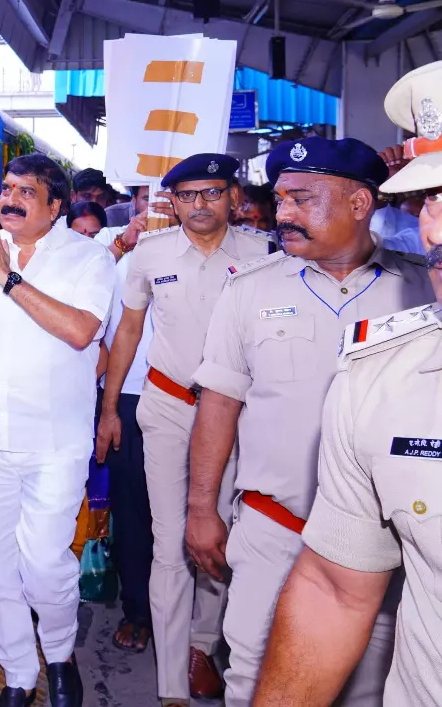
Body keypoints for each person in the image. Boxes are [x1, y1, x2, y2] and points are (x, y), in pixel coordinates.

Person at [185, 136, 434, 707]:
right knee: (253, 679)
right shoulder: (250, 291)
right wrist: (203, 509)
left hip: (388, 545)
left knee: (370, 686)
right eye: (280, 199)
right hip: (276, 528)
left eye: (301, 199)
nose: (283, 214)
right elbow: (219, 405)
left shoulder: (421, 286)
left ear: (359, 203)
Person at [251, 62, 442, 706]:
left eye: (303, 197)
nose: (436, 229)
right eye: (431, 200)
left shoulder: (404, 285)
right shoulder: (378, 379)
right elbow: (335, 591)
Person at [0, 154, 117, 707]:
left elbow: (82, 331)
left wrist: (8, 279)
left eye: (25, 192)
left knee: (43, 562)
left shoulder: (89, 258)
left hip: (56, 441)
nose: (8, 199)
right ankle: (18, 674)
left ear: (56, 205)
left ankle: (58, 657)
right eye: (6, 188)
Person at [97, 154, 273, 705]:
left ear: (233, 198)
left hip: (236, 416)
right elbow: (127, 332)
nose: (201, 204)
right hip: (167, 409)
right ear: (171, 202)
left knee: (217, 534)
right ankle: (172, 683)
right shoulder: (149, 255)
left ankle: (202, 643)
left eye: (213, 192)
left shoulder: (264, 256)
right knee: (170, 543)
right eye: (189, 194)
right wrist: (108, 409)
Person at [96, 224, 155, 663]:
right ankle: (138, 609)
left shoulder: (247, 255)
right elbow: (112, 334)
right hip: (132, 394)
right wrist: (109, 409)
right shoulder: (126, 258)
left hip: (203, 397)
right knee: (133, 512)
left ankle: (198, 626)